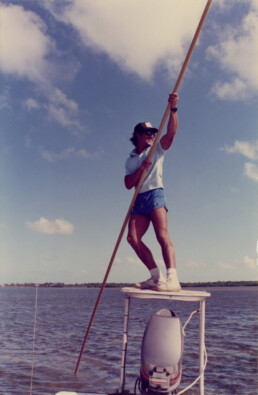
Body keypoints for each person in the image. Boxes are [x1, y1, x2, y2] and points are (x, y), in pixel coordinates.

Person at [124, 93, 181, 292]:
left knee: (162, 236)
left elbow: (170, 135)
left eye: (152, 132)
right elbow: (128, 183)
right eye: (147, 132)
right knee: (132, 238)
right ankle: (156, 277)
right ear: (138, 134)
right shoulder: (131, 159)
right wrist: (141, 169)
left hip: (155, 194)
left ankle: (172, 279)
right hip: (139, 199)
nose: (151, 135)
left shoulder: (156, 148)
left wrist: (173, 109)